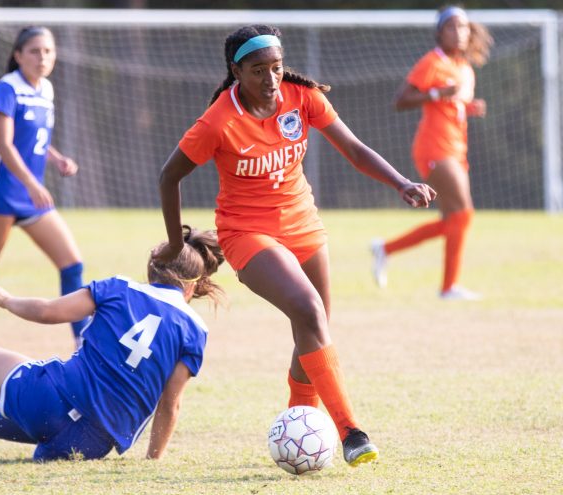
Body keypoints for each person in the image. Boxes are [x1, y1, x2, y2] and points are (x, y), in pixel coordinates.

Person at [155, 25, 437, 467]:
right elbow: (168, 177)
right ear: (236, 71)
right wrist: (175, 243)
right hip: (247, 232)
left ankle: (297, 421)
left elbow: (355, 149)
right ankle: (350, 430)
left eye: (276, 67)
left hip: (303, 223)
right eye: (257, 70)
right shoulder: (218, 121)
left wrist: (401, 183)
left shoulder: (302, 97)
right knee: (307, 308)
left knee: (314, 324)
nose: (270, 79)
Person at [0, 226, 224, 461]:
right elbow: (170, 404)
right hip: (91, 444)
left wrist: (6, 300)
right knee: (52, 427)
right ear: (194, 285)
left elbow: (50, 312)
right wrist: (152, 462)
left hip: (49, 400)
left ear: (153, 269)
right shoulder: (196, 330)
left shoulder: (120, 288)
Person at [0, 26, 89, 349]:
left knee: (72, 264)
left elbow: (36, 138)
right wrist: (31, 182)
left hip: (31, 196)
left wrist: (56, 159)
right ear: (18, 55)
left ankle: (82, 344)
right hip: (1, 191)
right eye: (34, 51)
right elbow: (5, 145)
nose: (42, 57)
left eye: (48, 51)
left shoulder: (46, 90)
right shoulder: (7, 87)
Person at [371, 6, 493, 300]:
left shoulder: (463, 67)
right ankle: (449, 288)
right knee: (463, 213)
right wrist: (438, 94)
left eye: (463, 27)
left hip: (456, 146)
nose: (459, 32)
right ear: (440, 32)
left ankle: (385, 249)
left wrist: (467, 107)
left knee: (454, 220)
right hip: (434, 147)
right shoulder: (432, 62)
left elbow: (453, 104)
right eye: (451, 27)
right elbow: (401, 100)